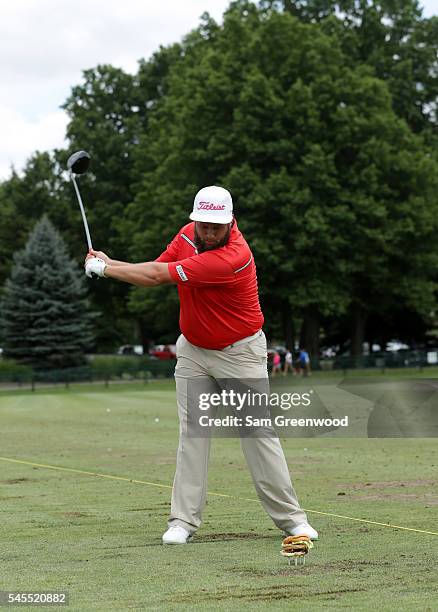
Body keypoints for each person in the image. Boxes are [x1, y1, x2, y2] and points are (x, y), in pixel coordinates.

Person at [84, 185, 318, 545]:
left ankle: (292, 519)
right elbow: (159, 266)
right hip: (193, 350)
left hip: (239, 353)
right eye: (203, 225)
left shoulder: (232, 257)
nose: (208, 232)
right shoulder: (187, 234)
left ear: (230, 222)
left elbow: (155, 277)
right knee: (193, 433)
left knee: (257, 434)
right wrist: (110, 262)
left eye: (216, 226)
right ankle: (182, 521)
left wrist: (103, 270)